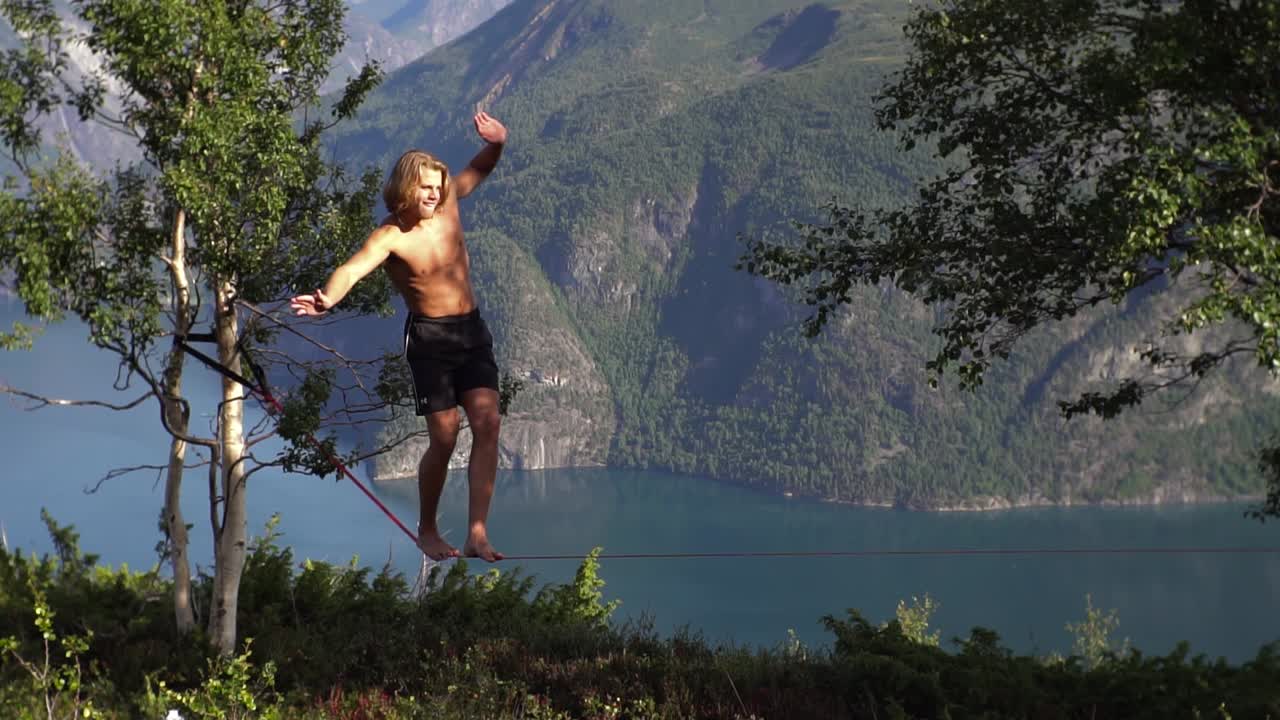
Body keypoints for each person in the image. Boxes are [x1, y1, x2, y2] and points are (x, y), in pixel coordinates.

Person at [290, 112, 508, 562]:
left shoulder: (449, 206)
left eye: (437, 185)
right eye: (426, 186)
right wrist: (328, 299)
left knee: (488, 423)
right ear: (407, 188)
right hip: (429, 340)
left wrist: (498, 143)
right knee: (445, 437)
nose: (435, 192)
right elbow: (352, 268)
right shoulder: (390, 236)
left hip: (472, 330)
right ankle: (427, 529)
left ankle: (477, 531)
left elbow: (480, 168)